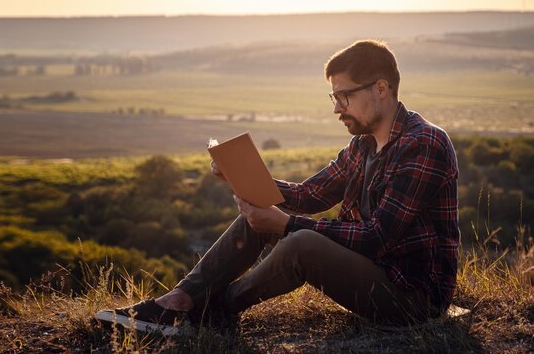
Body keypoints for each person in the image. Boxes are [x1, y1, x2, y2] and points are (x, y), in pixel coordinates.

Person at [95, 40, 460, 335]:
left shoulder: (423, 143)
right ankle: (181, 300)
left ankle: (215, 311)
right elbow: (311, 195)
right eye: (334, 98)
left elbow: (378, 236)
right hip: (373, 271)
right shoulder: (363, 144)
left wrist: (285, 225)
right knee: (259, 213)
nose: (337, 109)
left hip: (413, 297)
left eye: (344, 96)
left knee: (300, 242)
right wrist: (245, 177)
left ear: (381, 88)